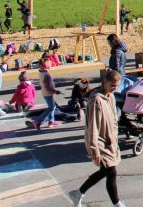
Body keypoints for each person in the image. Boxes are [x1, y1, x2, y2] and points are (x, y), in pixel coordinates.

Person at [69, 70, 126, 207]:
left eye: (117, 85)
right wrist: (94, 148)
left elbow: (113, 118)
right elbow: (92, 126)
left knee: (104, 171)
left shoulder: (111, 97)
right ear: (105, 82)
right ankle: (117, 204)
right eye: (112, 85)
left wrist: (115, 135)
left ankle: (78, 193)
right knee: (111, 171)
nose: (115, 88)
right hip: (98, 141)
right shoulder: (96, 100)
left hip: (110, 140)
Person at [31, 57, 62, 130]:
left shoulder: (41, 72)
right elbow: (48, 86)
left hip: (45, 93)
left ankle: (51, 121)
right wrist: (55, 91)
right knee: (51, 107)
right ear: (48, 66)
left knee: (53, 106)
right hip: (48, 93)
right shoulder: (46, 75)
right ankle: (38, 120)